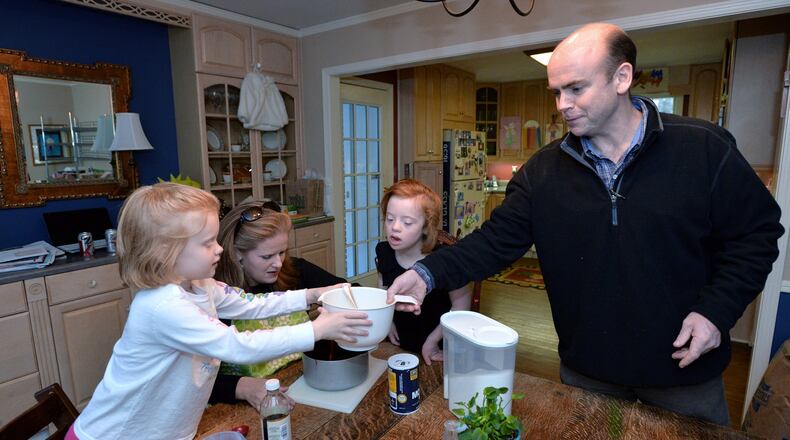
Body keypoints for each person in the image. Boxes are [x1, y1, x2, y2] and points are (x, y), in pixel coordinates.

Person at [385, 23, 783, 426]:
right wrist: (427, 273)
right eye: (557, 92)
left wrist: (716, 312)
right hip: (588, 372)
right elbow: (494, 243)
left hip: (684, 370)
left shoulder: (703, 149)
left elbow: (759, 234)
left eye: (576, 88)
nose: (563, 104)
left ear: (622, 77)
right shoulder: (541, 173)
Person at [68, 183, 371, 440]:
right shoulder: (162, 306)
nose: (220, 249)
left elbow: (254, 305)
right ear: (165, 252)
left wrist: (313, 294)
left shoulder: (201, 285)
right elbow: (235, 345)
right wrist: (318, 329)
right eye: (207, 243)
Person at [209, 199, 353, 409]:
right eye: (267, 256)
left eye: (282, 252)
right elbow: (201, 382)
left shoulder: (295, 270)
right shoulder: (216, 297)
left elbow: (349, 289)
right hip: (244, 407)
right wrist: (243, 387)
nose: (278, 263)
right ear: (237, 253)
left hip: (302, 384)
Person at [376, 179, 471, 365]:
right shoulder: (384, 251)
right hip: (400, 344)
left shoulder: (445, 259)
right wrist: (388, 322)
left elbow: (461, 308)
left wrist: (433, 341)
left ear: (426, 227)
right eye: (389, 218)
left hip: (439, 347)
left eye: (407, 222)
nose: (395, 227)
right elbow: (383, 288)